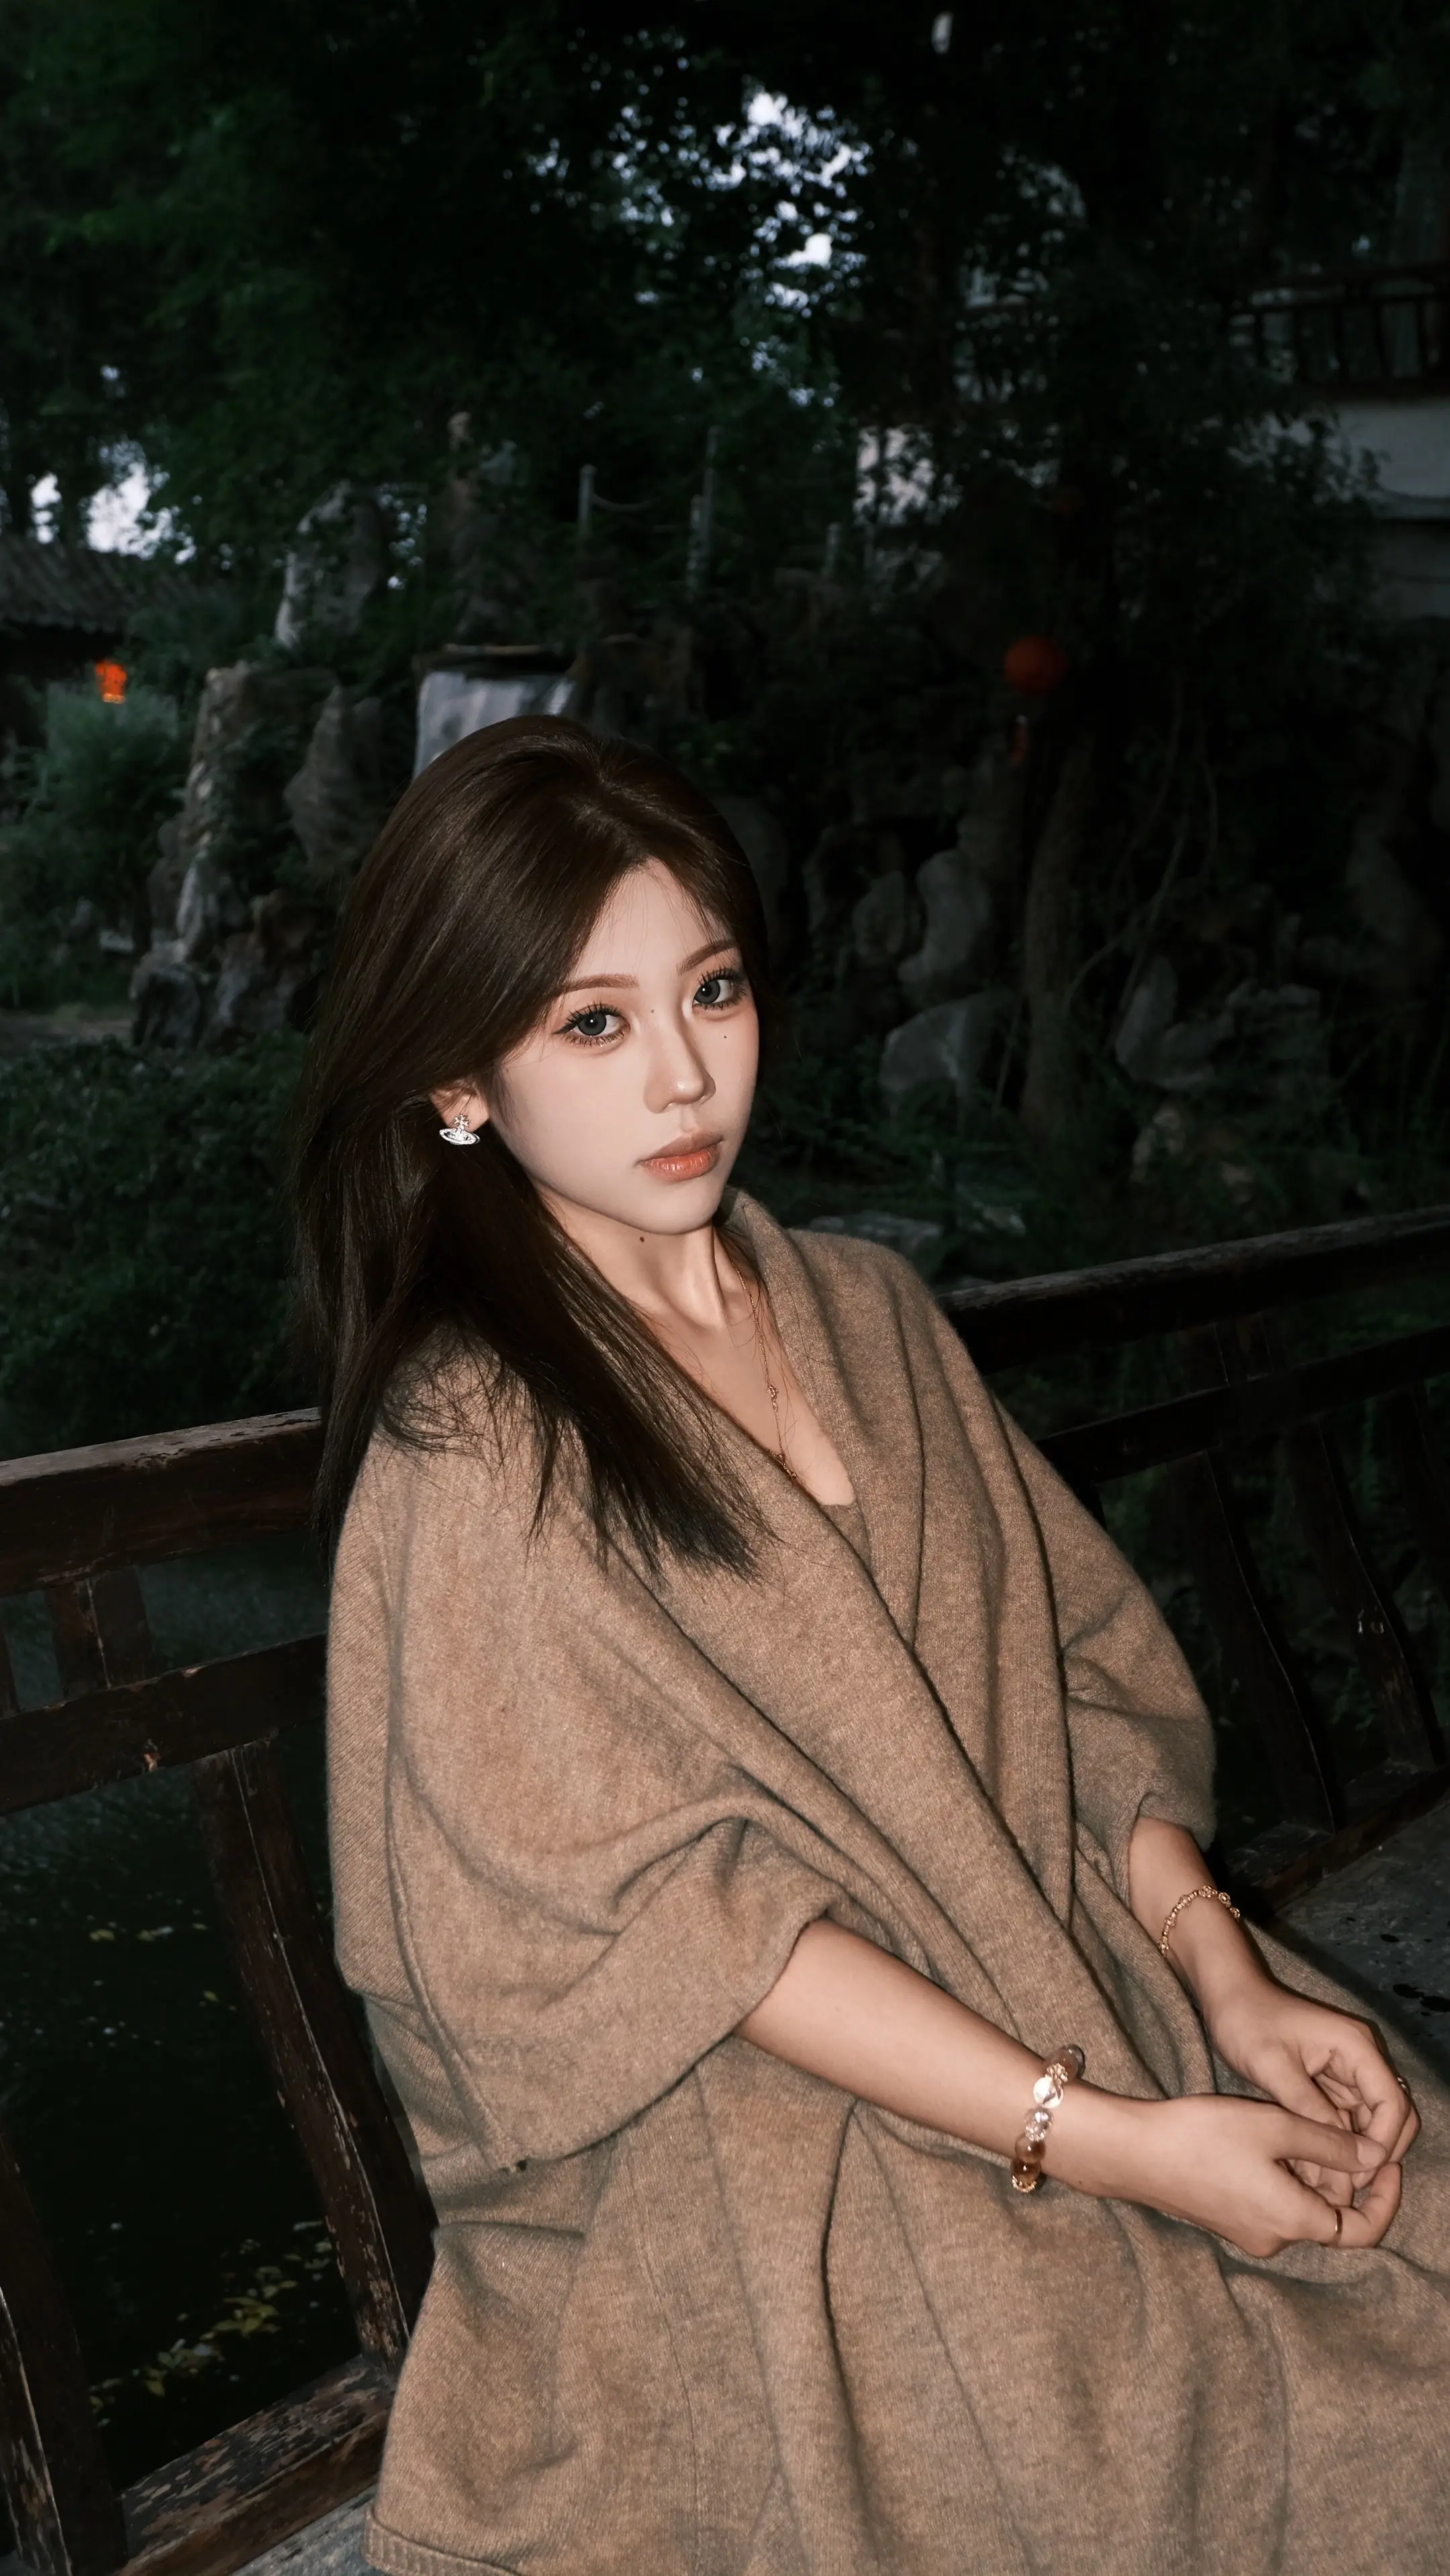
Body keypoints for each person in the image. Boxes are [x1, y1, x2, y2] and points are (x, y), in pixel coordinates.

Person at [297, 715, 1450, 2576]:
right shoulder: (476, 1448)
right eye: (592, 1023)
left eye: (714, 989)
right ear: (457, 1077)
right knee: (1197, 2431)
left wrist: (1231, 1983)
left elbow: (1077, 1687)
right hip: (759, 2148)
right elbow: (677, 1941)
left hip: (1070, 1976)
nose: (684, 1074)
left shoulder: (870, 1308)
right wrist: (1116, 2142)